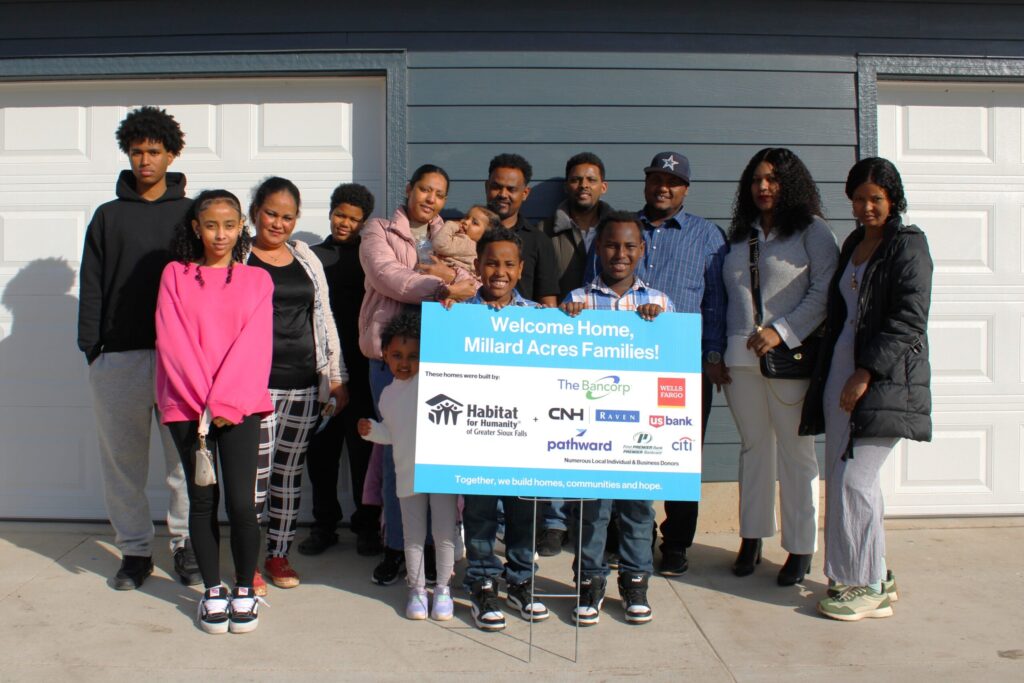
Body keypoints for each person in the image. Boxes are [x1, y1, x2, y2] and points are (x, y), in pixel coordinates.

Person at [801, 157, 932, 621]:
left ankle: (865, 584)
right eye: (859, 198)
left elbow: (908, 320)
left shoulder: (908, 246)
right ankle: (868, 572)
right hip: (842, 367)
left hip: (885, 376)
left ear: (892, 199)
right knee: (844, 477)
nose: (866, 206)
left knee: (857, 478)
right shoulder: (855, 241)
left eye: (875, 198)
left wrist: (865, 373)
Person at [586, 151, 727, 575]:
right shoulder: (620, 228)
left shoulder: (707, 235)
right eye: (656, 180)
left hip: (683, 366)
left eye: (673, 182)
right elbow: (593, 282)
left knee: (680, 457)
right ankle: (624, 539)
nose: (663, 188)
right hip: (620, 364)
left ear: (685, 189)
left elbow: (716, 302)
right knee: (617, 452)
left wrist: (712, 355)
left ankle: (678, 542)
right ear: (646, 183)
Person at [77, 105, 200, 590]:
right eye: (136, 152)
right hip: (119, 357)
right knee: (122, 464)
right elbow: (92, 284)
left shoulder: (192, 214)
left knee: (183, 465)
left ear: (171, 154)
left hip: (180, 361)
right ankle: (134, 553)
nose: (144, 160)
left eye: (153, 151)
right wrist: (93, 346)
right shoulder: (108, 217)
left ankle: (187, 545)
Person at [155, 189, 273, 634]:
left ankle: (243, 589)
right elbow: (173, 342)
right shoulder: (175, 275)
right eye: (211, 224)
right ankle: (211, 591)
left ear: (241, 226)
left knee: (243, 504)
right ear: (195, 227)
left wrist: (225, 403)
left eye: (229, 224)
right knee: (202, 501)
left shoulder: (257, 280)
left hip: (240, 407)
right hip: (187, 407)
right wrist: (205, 402)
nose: (220, 234)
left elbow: (256, 345)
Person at [722, 148, 838, 584]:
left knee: (796, 454)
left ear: (791, 184)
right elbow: (729, 298)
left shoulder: (813, 231)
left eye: (772, 179)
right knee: (754, 451)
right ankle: (752, 536)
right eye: (756, 180)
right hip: (739, 359)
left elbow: (825, 293)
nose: (763, 187)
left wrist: (782, 330)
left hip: (790, 359)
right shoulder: (740, 235)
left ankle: (800, 547)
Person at [359, 164, 477, 585]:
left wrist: (447, 276)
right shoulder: (379, 229)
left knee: (437, 456)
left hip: (440, 359)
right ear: (409, 190)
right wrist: (440, 284)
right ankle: (396, 546)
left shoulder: (454, 234)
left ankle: (431, 547)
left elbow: (472, 279)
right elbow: (386, 276)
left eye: (439, 194)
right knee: (396, 454)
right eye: (424, 189)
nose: (430, 198)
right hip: (391, 362)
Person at [560, 212, 675, 625]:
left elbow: (672, 361)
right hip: (591, 428)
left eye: (629, 246)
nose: (620, 254)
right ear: (598, 248)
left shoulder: (660, 303)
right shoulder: (577, 301)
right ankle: (589, 582)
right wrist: (566, 323)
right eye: (611, 245)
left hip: (639, 429)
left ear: (642, 250)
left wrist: (658, 328)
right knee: (593, 510)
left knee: (638, 510)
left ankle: (635, 582)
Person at [443, 227, 550, 631]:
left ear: (521, 269)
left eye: (508, 264)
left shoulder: (541, 318)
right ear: (477, 265)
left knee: (524, 510)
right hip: (478, 436)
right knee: (481, 511)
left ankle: (522, 578)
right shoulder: (457, 315)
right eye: (491, 262)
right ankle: (483, 580)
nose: (499, 271)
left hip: (526, 438)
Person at [247, 177, 348, 592]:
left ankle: (278, 554)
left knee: (288, 475)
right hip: (254, 386)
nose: (278, 223)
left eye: (288, 217)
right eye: (271, 213)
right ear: (255, 212)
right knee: (253, 476)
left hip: (304, 384)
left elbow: (324, 317)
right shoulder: (237, 256)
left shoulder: (304, 257)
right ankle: (246, 559)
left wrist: (336, 376)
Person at [358, 311, 459, 621]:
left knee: (443, 533)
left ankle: (442, 589)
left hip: (440, 472)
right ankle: (416, 590)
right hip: (407, 476)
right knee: (412, 535)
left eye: (414, 356)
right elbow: (393, 433)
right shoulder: (387, 395)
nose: (404, 362)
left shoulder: (434, 383)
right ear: (384, 355)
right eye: (397, 355)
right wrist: (372, 430)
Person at [539, 151, 615, 557]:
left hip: (608, 352)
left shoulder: (619, 228)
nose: (582, 185)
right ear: (567, 186)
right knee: (557, 432)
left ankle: (593, 515)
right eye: (575, 180)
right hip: (558, 348)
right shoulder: (546, 231)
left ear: (603, 186)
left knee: (599, 434)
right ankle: (553, 520)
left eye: (590, 179)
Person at [300, 183, 383, 557]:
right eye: (340, 215)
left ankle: (366, 525)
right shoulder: (312, 257)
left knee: (363, 452)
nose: (344, 223)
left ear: (364, 222)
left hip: (364, 370)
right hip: (321, 372)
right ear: (330, 212)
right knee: (321, 452)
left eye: (353, 218)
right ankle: (323, 524)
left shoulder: (371, 260)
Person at [484, 153, 560, 307]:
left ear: (525, 193)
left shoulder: (539, 241)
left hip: (519, 328)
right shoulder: (464, 233)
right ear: (486, 187)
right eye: (496, 187)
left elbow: (548, 303)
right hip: (468, 327)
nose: (503, 194)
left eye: (511, 189)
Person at [430, 205, 499, 279]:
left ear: (485, 235)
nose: (466, 222)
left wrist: (450, 225)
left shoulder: (469, 244)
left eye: (474, 223)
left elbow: (439, 244)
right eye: (466, 217)